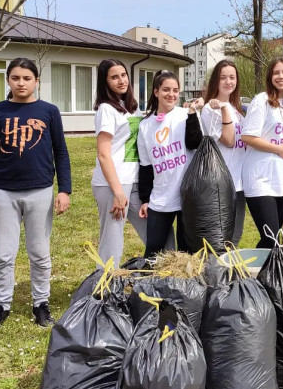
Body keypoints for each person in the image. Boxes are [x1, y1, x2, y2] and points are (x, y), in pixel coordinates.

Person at [0, 58, 71, 334]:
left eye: (27, 78)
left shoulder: (49, 112)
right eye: (15, 77)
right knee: (3, 255)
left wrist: (64, 189)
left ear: (36, 81)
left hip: (40, 190)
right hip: (4, 192)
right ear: (8, 80)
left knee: (39, 253)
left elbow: (61, 152)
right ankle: (1, 306)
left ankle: (41, 303)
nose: (21, 83)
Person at [136, 70, 203, 257]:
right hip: (161, 197)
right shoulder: (145, 126)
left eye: (175, 90)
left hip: (187, 196)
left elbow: (195, 143)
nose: (171, 94)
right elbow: (146, 166)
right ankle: (151, 285)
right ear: (156, 92)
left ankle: (186, 286)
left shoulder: (185, 115)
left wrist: (192, 113)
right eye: (166, 89)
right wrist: (145, 199)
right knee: (153, 251)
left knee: (187, 252)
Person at [91, 59, 149, 265]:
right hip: (113, 185)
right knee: (112, 244)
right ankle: (102, 291)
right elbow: (103, 154)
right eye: (114, 77)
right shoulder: (107, 109)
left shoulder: (132, 107)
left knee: (157, 234)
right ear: (105, 82)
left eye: (123, 75)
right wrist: (117, 192)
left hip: (134, 182)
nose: (121, 80)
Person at [242, 57, 283, 248]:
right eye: (276, 73)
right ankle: (259, 276)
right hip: (260, 178)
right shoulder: (262, 100)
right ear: (269, 77)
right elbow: (247, 136)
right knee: (270, 236)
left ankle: (264, 276)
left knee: (273, 239)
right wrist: (277, 148)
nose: (281, 76)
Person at [200, 59, 246, 244]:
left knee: (236, 234)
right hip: (222, 183)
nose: (229, 82)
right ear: (215, 81)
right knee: (221, 237)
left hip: (240, 182)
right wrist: (224, 108)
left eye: (232, 77)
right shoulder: (210, 110)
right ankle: (218, 271)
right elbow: (229, 140)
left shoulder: (237, 110)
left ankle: (229, 271)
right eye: (223, 78)